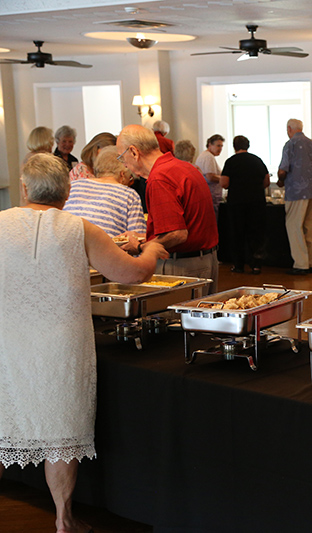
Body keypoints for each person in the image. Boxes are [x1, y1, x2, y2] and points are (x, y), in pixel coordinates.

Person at [0, 153, 167, 533]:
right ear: (68, 190)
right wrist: (153, 251)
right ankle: (63, 519)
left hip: (7, 340)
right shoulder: (80, 227)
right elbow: (132, 272)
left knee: (1, 425)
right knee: (62, 431)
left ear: (24, 188)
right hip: (63, 343)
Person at [116, 124, 219, 293]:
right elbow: (187, 224)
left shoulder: (159, 178)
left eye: (121, 157)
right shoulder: (184, 167)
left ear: (134, 152)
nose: (124, 165)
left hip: (182, 266)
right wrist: (141, 237)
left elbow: (176, 234)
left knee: (175, 319)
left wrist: (141, 247)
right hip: (205, 259)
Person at [63, 146, 146, 237]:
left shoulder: (73, 186)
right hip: (105, 249)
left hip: (67, 246)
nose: (130, 183)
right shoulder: (129, 195)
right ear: (122, 175)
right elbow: (136, 238)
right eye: (130, 178)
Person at [277, 119, 312, 275]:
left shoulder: (290, 144)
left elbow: (283, 169)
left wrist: (280, 180)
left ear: (289, 129)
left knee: (294, 226)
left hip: (297, 191)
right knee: (311, 227)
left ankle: (301, 264)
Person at [220, 135, 269, 275]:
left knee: (237, 233)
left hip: (237, 203)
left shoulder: (231, 162)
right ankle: (256, 265)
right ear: (248, 145)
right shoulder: (257, 160)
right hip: (257, 202)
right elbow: (266, 180)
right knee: (256, 233)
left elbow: (224, 183)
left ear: (234, 146)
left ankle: (239, 265)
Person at [196, 134, 225, 218]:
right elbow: (210, 176)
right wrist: (223, 179)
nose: (220, 149)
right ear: (210, 145)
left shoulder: (205, 155)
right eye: (218, 146)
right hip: (211, 196)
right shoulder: (209, 157)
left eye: (221, 146)